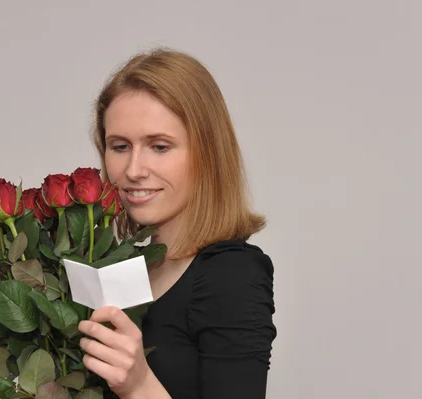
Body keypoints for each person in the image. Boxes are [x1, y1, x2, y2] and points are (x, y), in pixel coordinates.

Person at [77, 48, 277, 399]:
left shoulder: (231, 272)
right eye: (120, 146)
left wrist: (139, 386)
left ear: (207, 153)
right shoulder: (128, 269)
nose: (134, 170)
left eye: (159, 146)